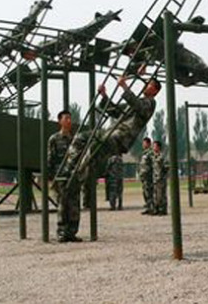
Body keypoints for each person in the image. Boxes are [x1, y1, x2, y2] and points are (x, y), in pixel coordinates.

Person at [61, 76, 160, 182]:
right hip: (111, 133)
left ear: (155, 91)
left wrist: (124, 86)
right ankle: (70, 168)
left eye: (149, 84)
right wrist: (104, 95)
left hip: (121, 137)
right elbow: (115, 111)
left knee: (94, 147)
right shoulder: (136, 102)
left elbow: (138, 106)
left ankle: (78, 173)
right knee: (80, 138)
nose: (145, 85)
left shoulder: (150, 103)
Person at [47, 110, 82, 242]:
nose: (69, 121)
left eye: (70, 118)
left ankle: (72, 232)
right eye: (66, 118)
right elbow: (50, 159)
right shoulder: (54, 139)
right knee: (62, 205)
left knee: (74, 205)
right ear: (60, 121)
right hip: (60, 177)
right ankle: (62, 232)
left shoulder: (75, 139)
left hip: (73, 176)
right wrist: (51, 177)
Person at [139, 138, 155, 216]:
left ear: (148, 144)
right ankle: (148, 207)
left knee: (150, 193)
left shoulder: (151, 153)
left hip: (149, 177)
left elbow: (153, 164)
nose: (143, 145)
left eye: (144, 143)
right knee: (145, 193)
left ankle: (152, 208)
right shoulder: (144, 153)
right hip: (144, 177)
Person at [152, 141, 168, 216]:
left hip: (161, 179)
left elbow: (167, 166)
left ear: (158, 147)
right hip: (155, 179)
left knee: (161, 195)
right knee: (156, 195)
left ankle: (163, 209)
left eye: (155, 146)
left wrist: (162, 174)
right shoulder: (154, 157)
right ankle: (157, 209)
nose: (153, 148)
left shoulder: (162, 156)